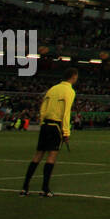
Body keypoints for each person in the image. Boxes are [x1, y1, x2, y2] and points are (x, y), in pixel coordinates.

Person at [21, 68, 77, 198]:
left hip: (45, 124)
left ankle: (25, 187)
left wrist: (42, 122)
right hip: (56, 125)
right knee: (52, 156)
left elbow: (43, 107)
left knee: (37, 155)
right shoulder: (69, 91)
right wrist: (66, 131)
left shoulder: (52, 89)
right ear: (73, 77)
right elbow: (66, 112)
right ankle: (44, 189)